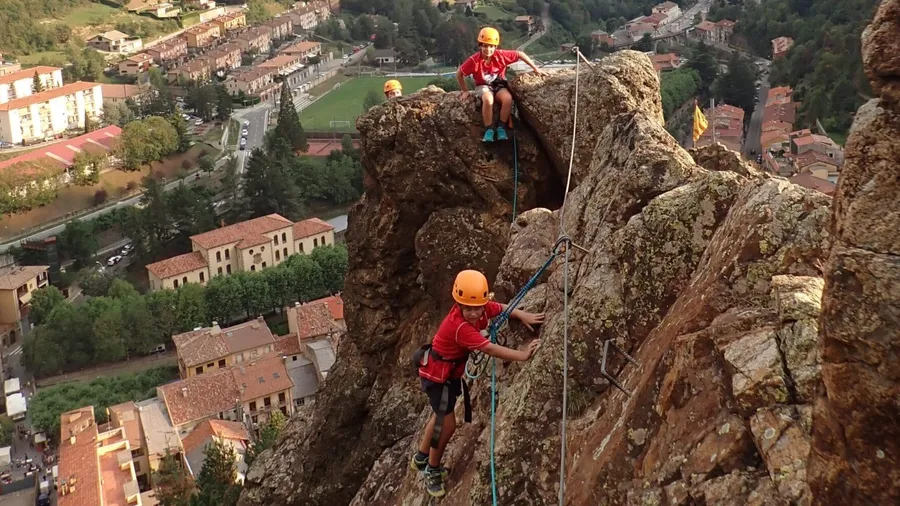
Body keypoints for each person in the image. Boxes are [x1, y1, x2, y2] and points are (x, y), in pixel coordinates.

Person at [410, 269, 544, 498]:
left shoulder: (480, 309)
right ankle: (431, 468)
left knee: (439, 416)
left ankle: (421, 456)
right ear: (458, 304)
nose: (474, 313)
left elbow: (498, 308)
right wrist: (522, 355)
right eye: (468, 308)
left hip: (444, 373)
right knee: (446, 424)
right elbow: (489, 348)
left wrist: (521, 314)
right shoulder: (460, 327)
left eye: (478, 307)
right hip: (438, 378)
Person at [456, 27, 545, 143]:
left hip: (498, 85)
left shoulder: (500, 56)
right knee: (488, 99)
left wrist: (535, 68)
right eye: (485, 46)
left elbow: (520, 54)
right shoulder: (474, 60)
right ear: (480, 46)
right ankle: (489, 129)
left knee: (507, 99)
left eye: (491, 46)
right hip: (483, 86)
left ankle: (501, 127)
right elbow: (459, 73)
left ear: (495, 47)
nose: (488, 49)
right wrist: (465, 90)